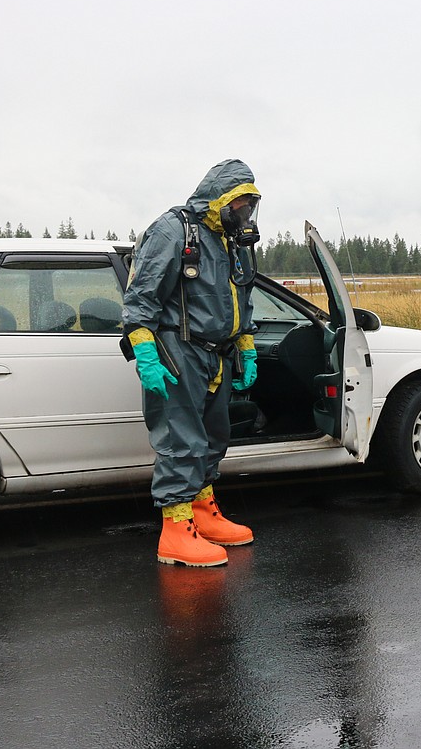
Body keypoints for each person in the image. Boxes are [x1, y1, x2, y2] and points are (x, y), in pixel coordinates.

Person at [122, 159, 261, 567]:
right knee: (181, 440)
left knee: (213, 436)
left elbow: (243, 297)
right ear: (220, 199)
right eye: (240, 205)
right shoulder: (174, 230)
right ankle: (175, 529)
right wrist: (146, 353)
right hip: (178, 350)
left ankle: (202, 510)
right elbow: (140, 298)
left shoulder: (232, 243)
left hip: (217, 355)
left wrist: (246, 346)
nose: (245, 215)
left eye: (250, 207)